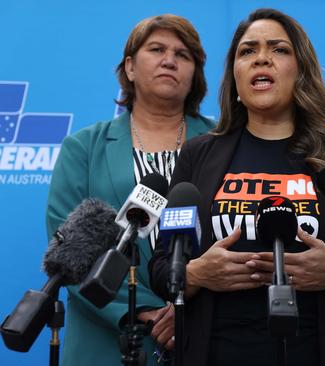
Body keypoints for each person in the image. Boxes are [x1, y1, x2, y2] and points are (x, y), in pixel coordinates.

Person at [149, 8, 325, 366]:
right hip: (215, 353)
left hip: (324, 352)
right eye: (247, 51)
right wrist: (196, 274)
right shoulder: (198, 154)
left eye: (278, 49)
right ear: (236, 78)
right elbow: (163, 266)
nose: (261, 58)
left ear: (300, 70)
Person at [45, 14, 214, 366]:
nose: (170, 60)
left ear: (194, 74)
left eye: (183, 55)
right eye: (157, 49)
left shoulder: (223, 143)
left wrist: (188, 300)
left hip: (208, 332)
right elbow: (70, 255)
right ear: (130, 68)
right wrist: (146, 312)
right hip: (106, 343)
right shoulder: (84, 147)